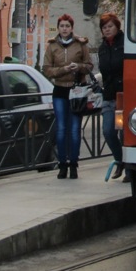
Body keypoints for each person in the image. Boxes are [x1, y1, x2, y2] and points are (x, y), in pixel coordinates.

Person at [42, 14, 92, 180]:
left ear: (72, 28)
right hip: (60, 90)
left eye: (67, 26)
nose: (64, 29)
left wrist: (77, 67)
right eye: (62, 26)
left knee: (75, 130)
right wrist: (63, 70)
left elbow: (89, 66)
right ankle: (62, 164)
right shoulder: (52, 46)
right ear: (58, 28)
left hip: (77, 91)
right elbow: (47, 69)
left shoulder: (80, 44)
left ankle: (74, 164)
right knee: (62, 129)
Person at [97, 13, 126, 181]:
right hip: (108, 94)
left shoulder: (124, 44)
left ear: (117, 27)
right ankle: (119, 160)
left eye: (110, 26)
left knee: (124, 133)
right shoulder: (102, 47)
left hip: (123, 94)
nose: (107, 30)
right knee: (108, 131)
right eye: (104, 27)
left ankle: (129, 167)